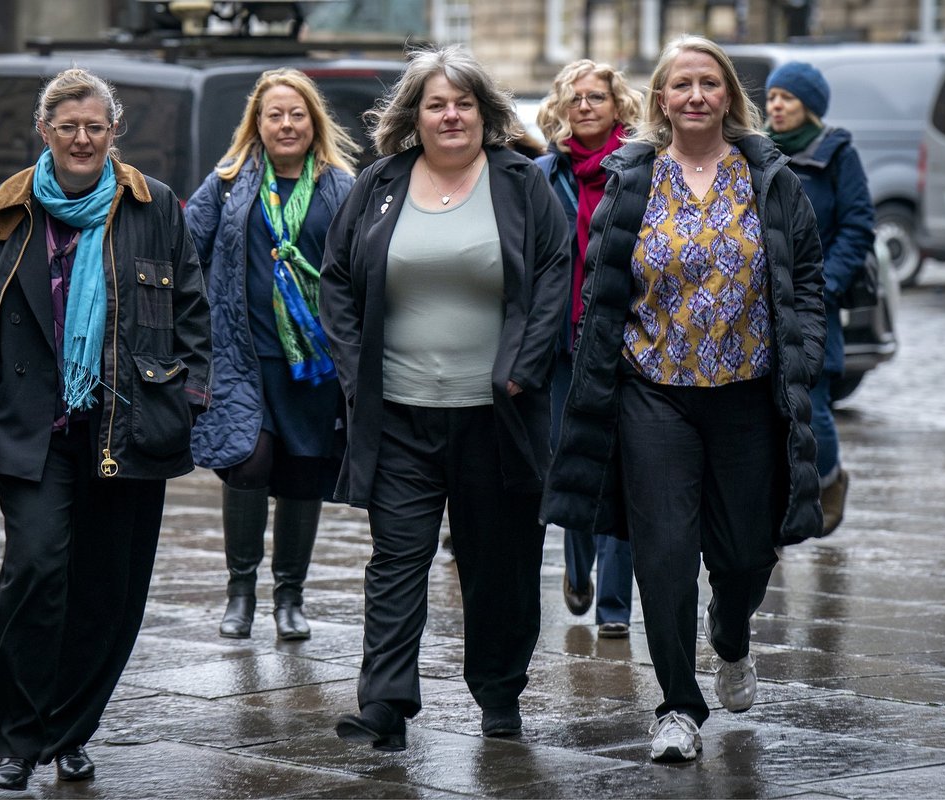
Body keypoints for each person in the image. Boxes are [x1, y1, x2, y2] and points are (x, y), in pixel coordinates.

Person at [542, 35, 826, 764]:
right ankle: (675, 705)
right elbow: (601, 283)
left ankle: (730, 637)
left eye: (709, 83)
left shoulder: (771, 178)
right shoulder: (632, 177)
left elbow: (808, 278)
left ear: (729, 95)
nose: (695, 96)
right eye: (681, 85)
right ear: (661, 100)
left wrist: (807, 356)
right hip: (653, 394)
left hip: (746, 395)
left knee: (744, 555)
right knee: (663, 552)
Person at [0, 67, 211, 790]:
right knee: (36, 571)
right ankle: (20, 740)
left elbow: (192, 316)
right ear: (44, 133)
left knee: (107, 589)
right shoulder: (3, 212)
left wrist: (189, 400)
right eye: (68, 127)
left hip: (127, 425)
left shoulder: (156, 207)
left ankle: (72, 731)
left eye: (95, 126)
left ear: (113, 131)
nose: (82, 138)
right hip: (31, 428)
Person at [321, 45, 569, 751]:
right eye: (436, 103)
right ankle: (386, 706)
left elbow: (553, 274)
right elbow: (337, 282)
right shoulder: (379, 185)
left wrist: (525, 362)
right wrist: (352, 372)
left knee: (498, 564)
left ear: (484, 112)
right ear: (415, 116)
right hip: (398, 414)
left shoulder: (522, 184)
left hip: (498, 415)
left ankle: (498, 694)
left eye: (462, 102)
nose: (450, 114)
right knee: (397, 559)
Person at [185, 69, 359, 643]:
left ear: (314, 122)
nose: (285, 124)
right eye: (273, 115)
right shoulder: (230, 182)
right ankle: (240, 593)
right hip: (242, 356)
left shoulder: (341, 187)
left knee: (302, 476)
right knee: (248, 463)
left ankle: (290, 596)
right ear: (256, 124)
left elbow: (362, 269)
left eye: (296, 114)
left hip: (313, 364)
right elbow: (187, 250)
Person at [534, 59, 644, 639]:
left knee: (620, 468)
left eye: (596, 96)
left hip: (623, 341)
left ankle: (615, 608)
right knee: (566, 460)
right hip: (561, 344)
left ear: (617, 104)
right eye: (574, 97)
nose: (585, 106)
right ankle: (578, 569)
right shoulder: (544, 172)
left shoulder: (641, 169)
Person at [765, 61, 875, 536]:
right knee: (766, 409)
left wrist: (825, 284)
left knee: (813, 401)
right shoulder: (757, 150)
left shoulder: (837, 153)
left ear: (808, 106)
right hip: (762, 300)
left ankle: (829, 480)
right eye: (771, 98)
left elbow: (858, 224)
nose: (776, 106)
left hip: (815, 301)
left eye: (786, 98)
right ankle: (782, 500)